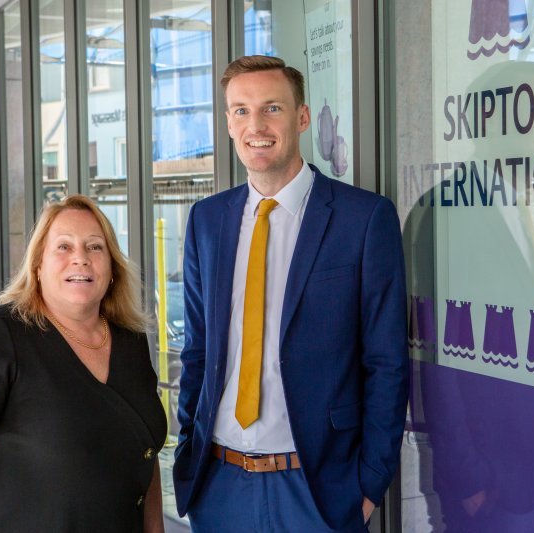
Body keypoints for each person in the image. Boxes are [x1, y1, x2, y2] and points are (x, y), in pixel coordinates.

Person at [173, 55, 409, 532]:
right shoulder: (207, 221)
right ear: (227, 122)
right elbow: (197, 352)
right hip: (219, 488)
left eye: (271, 108)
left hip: (317, 491)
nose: (255, 125)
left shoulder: (362, 219)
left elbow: (386, 361)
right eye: (240, 110)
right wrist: (187, 451)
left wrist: (369, 484)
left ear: (302, 116)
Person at [0, 195, 167, 532]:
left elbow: (143, 458)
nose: (81, 258)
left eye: (95, 247)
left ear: (112, 270)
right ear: (38, 267)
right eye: (63, 246)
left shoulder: (130, 342)